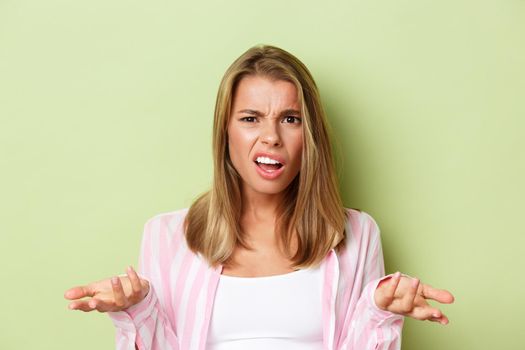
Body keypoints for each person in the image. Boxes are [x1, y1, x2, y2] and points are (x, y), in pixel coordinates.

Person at [64, 44, 454, 350]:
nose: (271, 137)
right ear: (226, 133)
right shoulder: (165, 236)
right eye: (251, 119)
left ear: (309, 136)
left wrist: (379, 312)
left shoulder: (356, 233)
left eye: (290, 118)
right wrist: (137, 310)